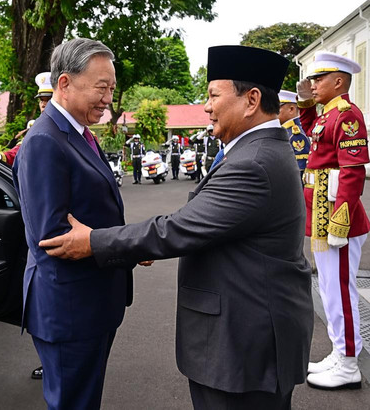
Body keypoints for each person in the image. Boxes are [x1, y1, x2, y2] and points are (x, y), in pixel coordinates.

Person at [39, 45, 314, 409]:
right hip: (249, 336)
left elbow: (179, 229)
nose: (206, 106)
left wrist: (94, 242)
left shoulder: (255, 162)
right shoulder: (254, 150)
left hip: (244, 346)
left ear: (251, 100)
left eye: (214, 95)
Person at [12, 38, 135, 410]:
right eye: (102, 88)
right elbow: (52, 237)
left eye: (111, 89)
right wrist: (126, 243)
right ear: (64, 83)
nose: (108, 99)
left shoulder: (78, 134)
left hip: (91, 303)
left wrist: (125, 242)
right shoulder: (44, 142)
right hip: (70, 310)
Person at [296, 51, 370, 390]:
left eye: (319, 79)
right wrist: (306, 104)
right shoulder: (328, 114)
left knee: (338, 291)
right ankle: (341, 350)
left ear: (338, 81)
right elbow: (315, 135)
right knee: (329, 290)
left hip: (336, 218)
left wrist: (339, 222)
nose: (312, 83)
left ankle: (348, 362)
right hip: (321, 212)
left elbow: (353, 173)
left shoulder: (348, 115)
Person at [0, 72, 52, 165]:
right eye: (41, 100)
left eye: (48, 99)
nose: (43, 104)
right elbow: (20, 152)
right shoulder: (37, 127)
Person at [278, 90, 310, 182]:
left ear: (291, 109)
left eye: (277, 107)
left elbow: (300, 170)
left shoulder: (296, 134)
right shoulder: (286, 131)